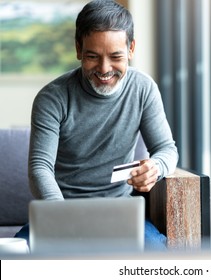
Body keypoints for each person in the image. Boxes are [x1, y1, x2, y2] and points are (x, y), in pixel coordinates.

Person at [15, 0, 179, 250]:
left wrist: (155, 168)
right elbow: (40, 167)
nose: (104, 69)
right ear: (79, 49)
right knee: (13, 260)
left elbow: (167, 149)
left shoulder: (143, 89)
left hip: (121, 215)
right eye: (93, 56)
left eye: (115, 57)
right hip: (61, 212)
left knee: (159, 255)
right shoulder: (53, 98)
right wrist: (62, 219)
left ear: (131, 49)